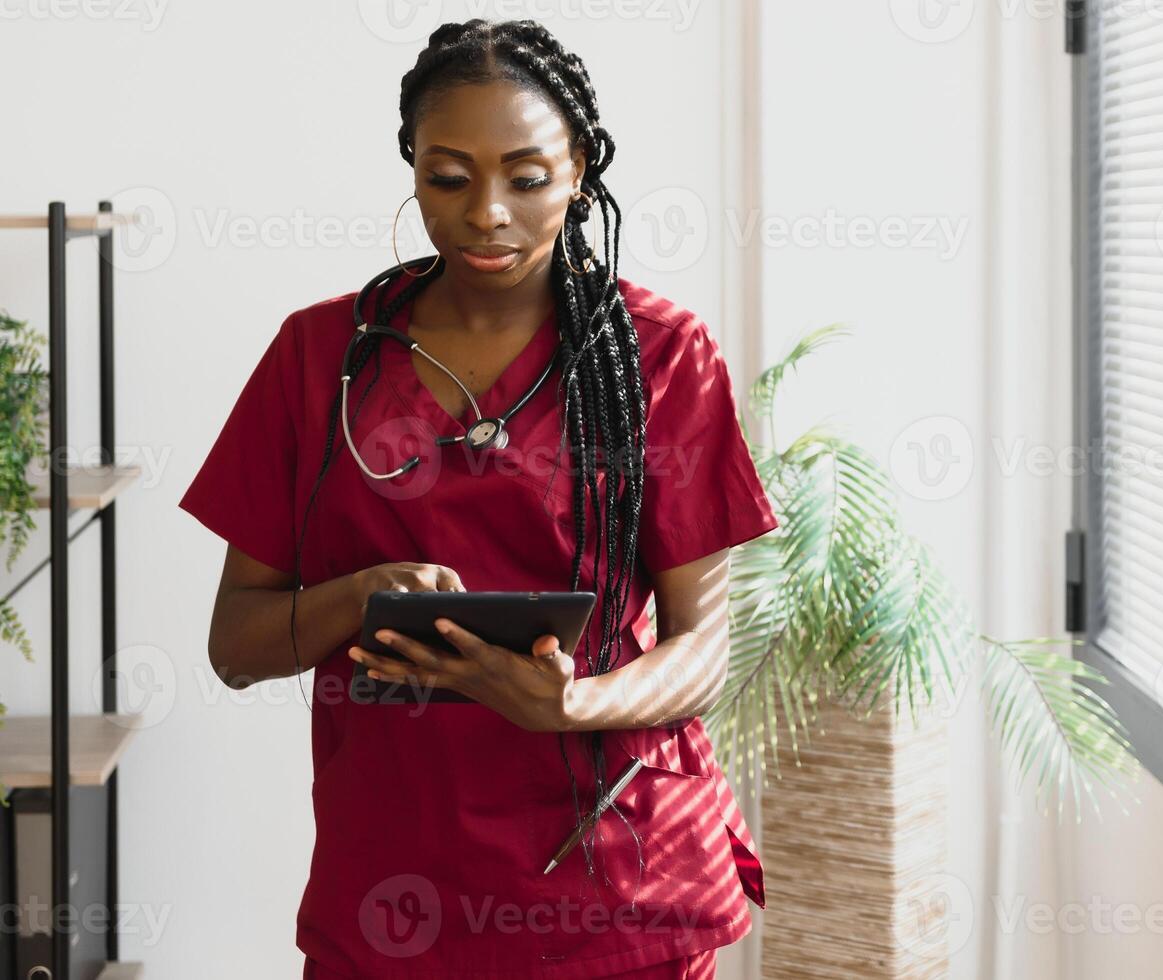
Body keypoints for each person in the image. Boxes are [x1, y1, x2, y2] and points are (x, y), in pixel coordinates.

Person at [178, 18, 777, 979]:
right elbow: (235, 647)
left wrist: (572, 706)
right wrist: (357, 595)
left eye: (528, 177)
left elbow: (706, 643)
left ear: (579, 169)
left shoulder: (659, 357)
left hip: (617, 881)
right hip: (396, 893)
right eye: (448, 178)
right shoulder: (317, 357)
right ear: (412, 166)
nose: (486, 213)